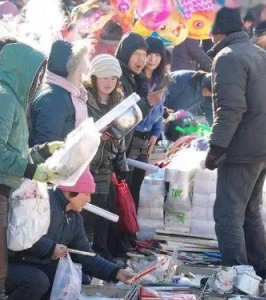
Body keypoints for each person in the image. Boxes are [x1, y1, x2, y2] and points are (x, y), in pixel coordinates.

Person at [0, 42, 62, 300]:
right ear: (22, 71)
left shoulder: (12, 101)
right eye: (37, 73)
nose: (39, 80)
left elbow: (11, 152)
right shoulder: (2, 99)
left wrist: (42, 152)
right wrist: (32, 170)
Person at [205, 7, 266, 280]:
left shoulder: (228, 57)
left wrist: (217, 147)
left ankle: (236, 276)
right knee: (250, 211)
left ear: (218, 34)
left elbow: (230, 109)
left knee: (228, 214)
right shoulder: (261, 55)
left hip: (242, 150)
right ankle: (259, 271)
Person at [6, 169, 135, 300]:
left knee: (76, 279)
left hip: (39, 263)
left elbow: (85, 255)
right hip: (11, 262)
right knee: (38, 281)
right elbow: (21, 237)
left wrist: (116, 272)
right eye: (86, 194)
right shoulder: (43, 204)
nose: (89, 199)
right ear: (70, 192)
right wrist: (50, 248)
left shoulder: (75, 218)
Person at [83, 54, 128, 260]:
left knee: (102, 212)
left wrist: (121, 162)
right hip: (85, 164)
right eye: (104, 78)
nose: (109, 83)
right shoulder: (83, 99)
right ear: (94, 78)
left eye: (113, 78)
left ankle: (99, 256)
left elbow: (123, 135)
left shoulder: (120, 101)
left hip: (105, 165)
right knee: (84, 214)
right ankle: (85, 255)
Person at [29, 39, 90, 146]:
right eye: (79, 71)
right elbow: (47, 145)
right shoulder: (54, 98)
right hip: (56, 161)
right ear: (69, 70)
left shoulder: (61, 91)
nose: (81, 78)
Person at [128, 36, 166, 208]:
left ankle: (131, 224)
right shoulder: (135, 78)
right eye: (150, 55)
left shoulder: (160, 81)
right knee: (126, 182)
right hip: (132, 135)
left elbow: (160, 108)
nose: (152, 60)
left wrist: (156, 133)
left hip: (146, 138)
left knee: (138, 183)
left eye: (158, 56)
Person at [164, 70, 212, 141]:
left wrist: (204, 131)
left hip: (176, 117)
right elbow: (162, 98)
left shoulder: (202, 91)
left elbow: (199, 113)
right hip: (161, 114)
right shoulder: (185, 81)